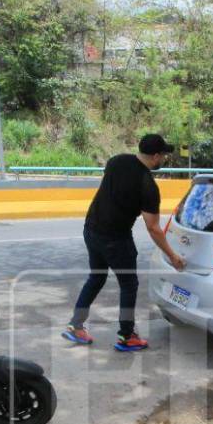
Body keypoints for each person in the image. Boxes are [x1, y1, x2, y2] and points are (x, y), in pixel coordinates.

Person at [63, 133, 186, 351]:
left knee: (96, 277)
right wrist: (173, 255)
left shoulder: (116, 161)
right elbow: (153, 228)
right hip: (116, 239)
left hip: (91, 230)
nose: (164, 159)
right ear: (156, 156)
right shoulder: (148, 185)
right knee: (129, 285)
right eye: (164, 155)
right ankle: (127, 336)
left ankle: (75, 326)